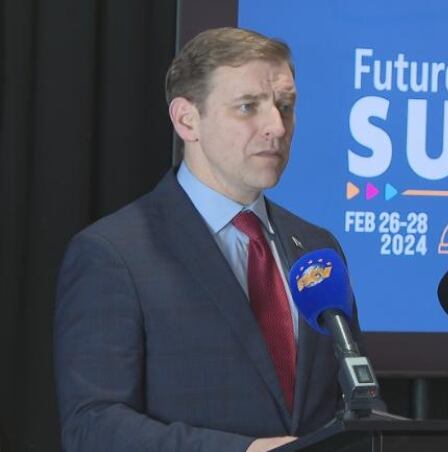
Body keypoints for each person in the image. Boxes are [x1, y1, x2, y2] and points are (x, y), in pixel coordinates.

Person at [54, 27, 357, 451]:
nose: (277, 126)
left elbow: (342, 404)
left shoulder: (317, 246)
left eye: (285, 106)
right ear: (187, 120)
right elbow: (93, 426)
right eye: (248, 107)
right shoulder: (113, 254)